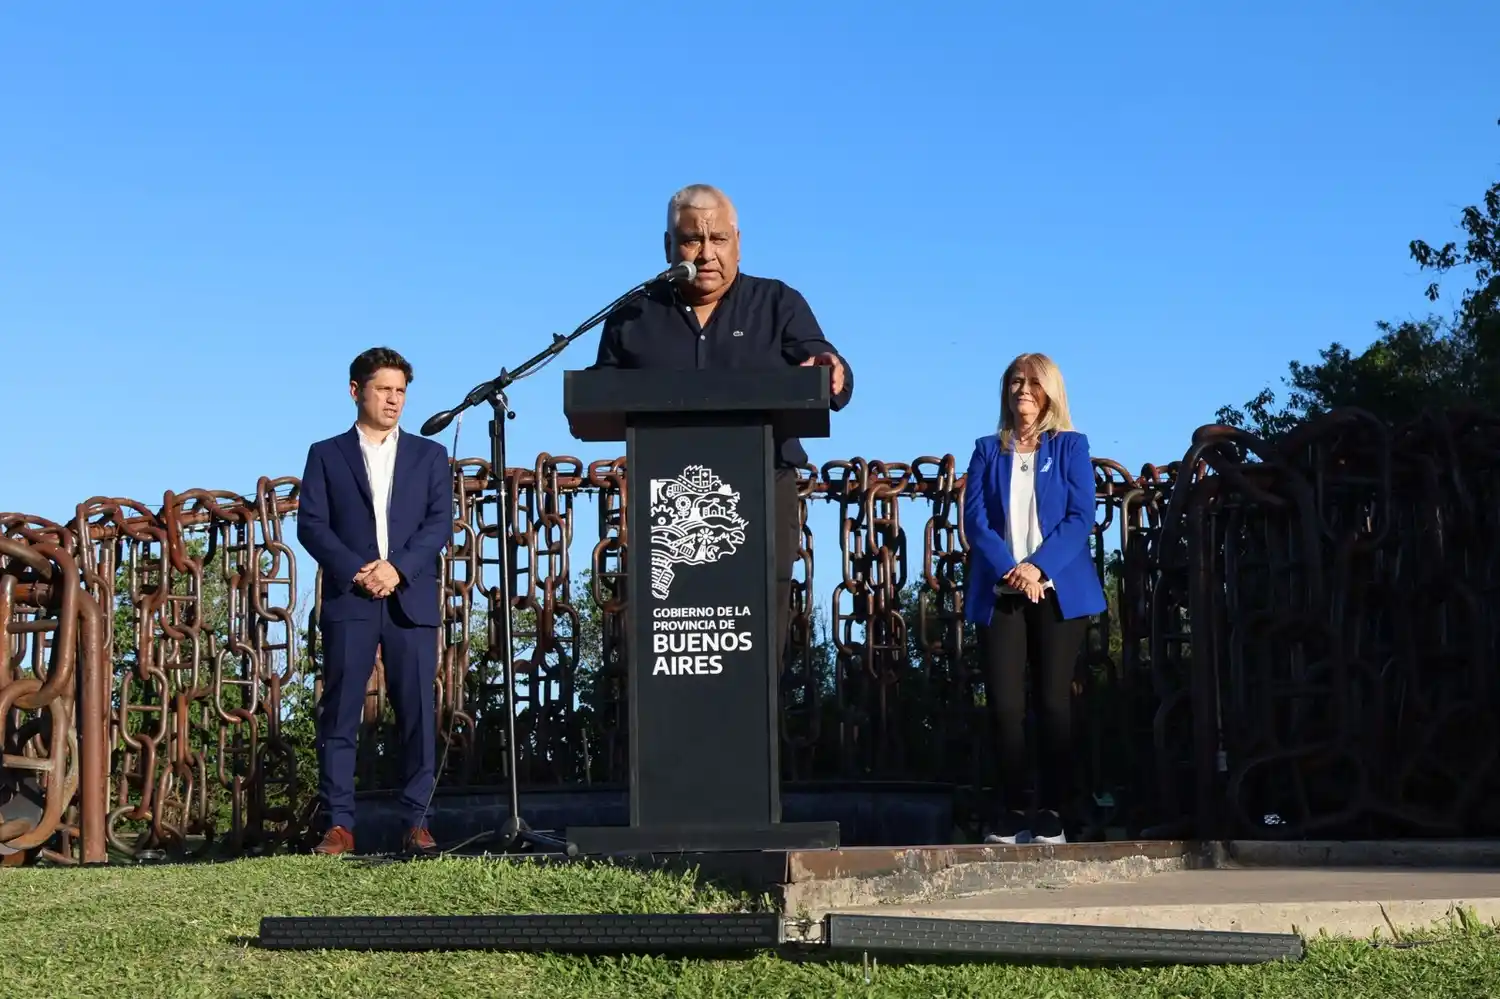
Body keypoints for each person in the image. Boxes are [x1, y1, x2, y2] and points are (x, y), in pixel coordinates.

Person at [590, 183, 854, 678]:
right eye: (692, 240)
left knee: (755, 645)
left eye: (719, 240)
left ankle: (755, 747)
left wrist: (830, 367)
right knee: (670, 650)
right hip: (664, 507)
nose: (706, 253)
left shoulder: (777, 302)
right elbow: (600, 393)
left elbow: (830, 374)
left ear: (738, 241)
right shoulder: (634, 313)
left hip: (762, 493)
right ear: (669, 247)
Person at [296, 347, 452, 856]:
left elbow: (439, 524)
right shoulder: (326, 453)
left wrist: (397, 568)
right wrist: (356, 570)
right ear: (355, 390)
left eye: (401, 391)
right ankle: (339, 824)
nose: (394, 400)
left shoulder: (429, 455)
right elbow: (311, 525)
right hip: (351, 597)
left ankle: (417, 822)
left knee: (417, 714)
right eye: (384, 389)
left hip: (410, 598)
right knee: (340, 712)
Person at [962, 352, 1105, 845]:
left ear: (1050, 392)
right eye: (1016, 382)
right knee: (1003, 705)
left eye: (1033, 384)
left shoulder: (1070, 448)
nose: (1023, 391)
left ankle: (1054, 811)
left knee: (1052, 703)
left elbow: (1080, 516)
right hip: (1001, 592)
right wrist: (1011, 568)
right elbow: (976, 520)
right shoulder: (986, 450)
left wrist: (1037, 567)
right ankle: (1012, 809)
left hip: (1056, 592)